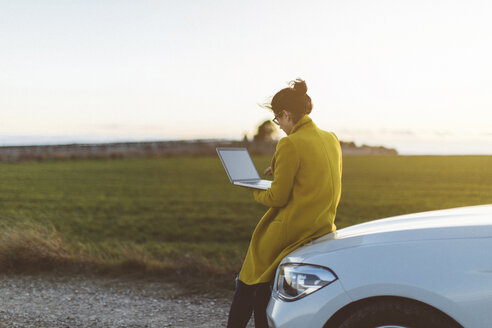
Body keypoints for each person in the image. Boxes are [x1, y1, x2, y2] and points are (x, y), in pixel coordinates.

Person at [226, 79, 343, 328]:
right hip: (321, 226)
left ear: (286, 115)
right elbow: (312, 173)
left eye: (278, 121)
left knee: (246, 280)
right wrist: (278, 168)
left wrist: (253, 188)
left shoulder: (289, 143)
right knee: (262, 287)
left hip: (292, 230)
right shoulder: (330, 138)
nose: (279, 127)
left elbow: (277, 198)